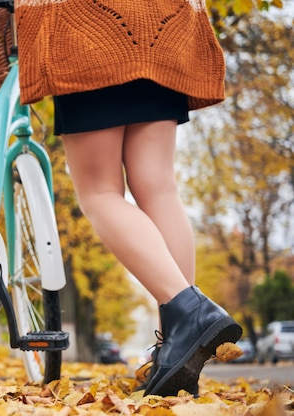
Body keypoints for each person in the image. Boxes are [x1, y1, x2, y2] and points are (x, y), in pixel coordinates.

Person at [14, 0, 242, 396]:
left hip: (86, 28)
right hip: (162, 25)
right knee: (158, 187)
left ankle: (189, 310)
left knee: (99, 192)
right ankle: (178, 344)